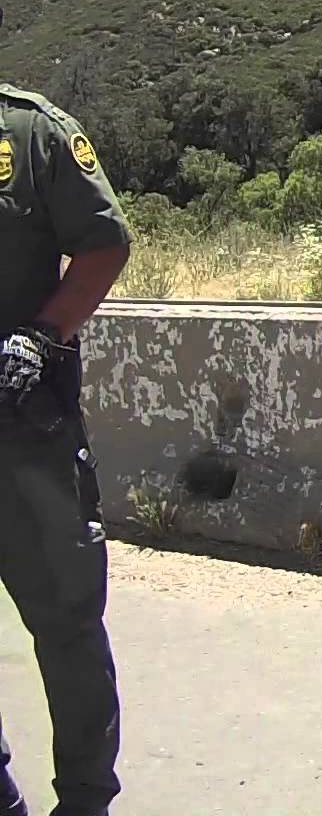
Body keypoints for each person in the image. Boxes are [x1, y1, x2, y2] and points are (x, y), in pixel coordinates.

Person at [0, 69, 132, 816]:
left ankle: (84, 799)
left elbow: (105, 242)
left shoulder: (32, 131)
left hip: (23, 435)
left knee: (67, 626)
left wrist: (42, 335)